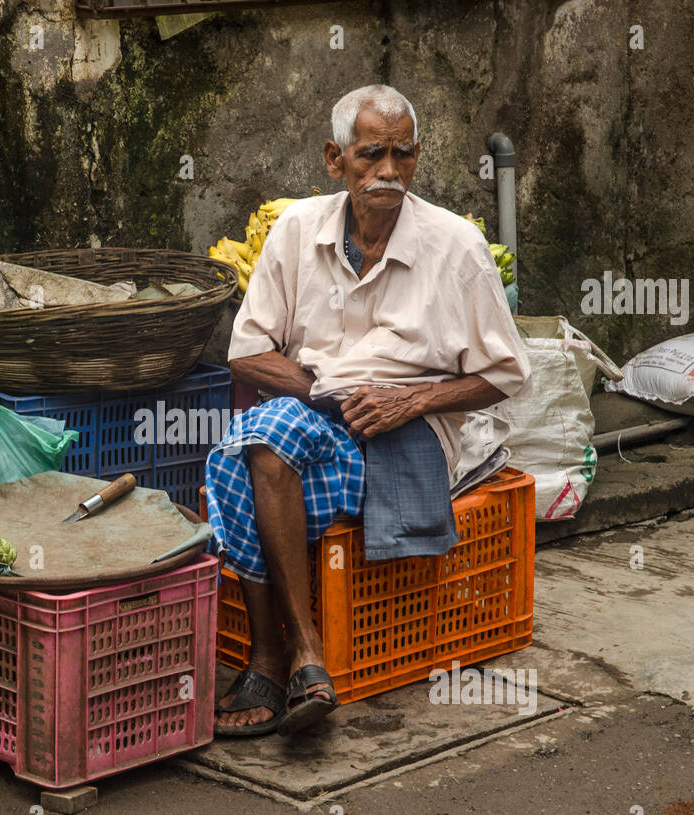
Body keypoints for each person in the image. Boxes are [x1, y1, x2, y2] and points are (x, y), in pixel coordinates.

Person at [206, 84, 531, 739]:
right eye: (371, 155)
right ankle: (303, 654)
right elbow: (247, 353)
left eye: (402, 155)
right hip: (308, 415)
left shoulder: (456, 246)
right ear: (336, 159)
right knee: (258, 445)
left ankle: (270, 657)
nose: (388, 171)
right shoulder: (297, 231)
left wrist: (414, 398)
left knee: (241, 460)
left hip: (408, 433)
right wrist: (326, 388)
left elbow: (507, 372)